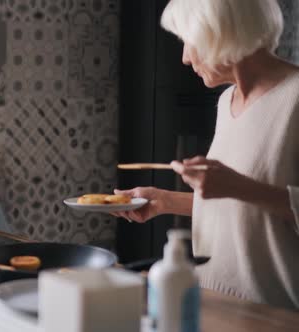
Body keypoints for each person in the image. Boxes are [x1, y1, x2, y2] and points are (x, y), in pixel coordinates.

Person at [114, 0, 299, 309]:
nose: (185, 58)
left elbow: (246, 192)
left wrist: (237, 186)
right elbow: (244, 209)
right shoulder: (227, 102)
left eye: (189, 41)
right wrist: (164, 201)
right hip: (214, 304)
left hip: (276, 315)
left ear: (220, 33)